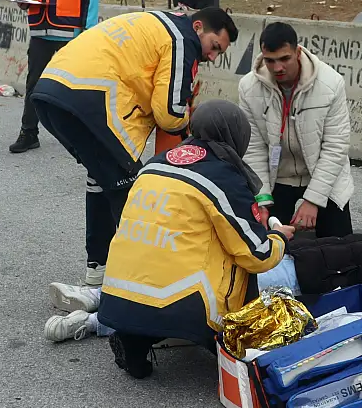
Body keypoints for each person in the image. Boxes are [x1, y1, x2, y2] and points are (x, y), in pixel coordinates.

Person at [61, 101, 291, 377]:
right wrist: (279, 237)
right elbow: (258, 255)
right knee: (237, 256)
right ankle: (227, 344)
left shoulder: (155, 164)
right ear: (236, 136)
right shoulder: (224, 178)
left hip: (117, 298)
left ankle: (134, 341)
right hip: (183, 306)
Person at [30, 6, 237, 286]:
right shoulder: (182, 39)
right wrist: (191, 121)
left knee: (102, 179)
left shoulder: (158, 22)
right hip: (91, 100)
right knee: (132, 194)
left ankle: (99, 268)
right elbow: (169, 112)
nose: (211, 57)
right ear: (198, 27)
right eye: (214, 47)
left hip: (52, 91)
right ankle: (141, 282)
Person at [44, 233, 362, 342]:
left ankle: (95, 320)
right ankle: (97, 298)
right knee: (187, 276)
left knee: (194, 299)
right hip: (283, 256)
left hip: (291, 279)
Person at [239, 22, 354, 237]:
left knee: (341, 249)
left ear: (298, 52)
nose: (277, 68)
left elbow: (336, 146)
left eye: (285, 59)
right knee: (267, 244)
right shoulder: (248, 87)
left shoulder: (331, 83)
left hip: (322, 176)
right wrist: (261, 199)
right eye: (270, 60)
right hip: (278, 178)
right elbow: (253, 148)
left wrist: (313, 200)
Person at [9, 0, 101, 154]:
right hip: (41, 30)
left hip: (71, 32)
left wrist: (88, 30)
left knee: (76, 86)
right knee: (34, 84)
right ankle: (29, 132)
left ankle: (85, 135)